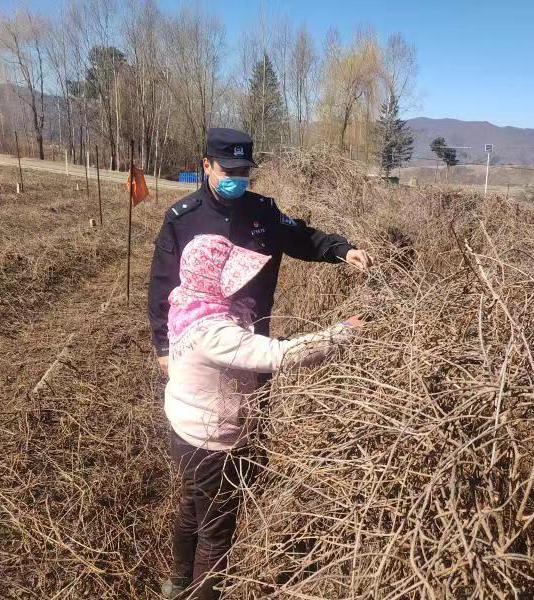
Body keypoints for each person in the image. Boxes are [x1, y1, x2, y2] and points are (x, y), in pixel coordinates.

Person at [161, 234, 361, 599]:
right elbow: (276, 356)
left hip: (184, 433)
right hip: (211, 444)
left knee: (192, 508)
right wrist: (339, 335)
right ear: (210, 276)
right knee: (216, 534)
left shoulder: (188, 303)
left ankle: (177, 582)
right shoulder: (214, 330)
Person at [148, 128, 373, 375]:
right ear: (207, 165)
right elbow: (163, 284)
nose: (237, 178)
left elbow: (302, 238)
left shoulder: (263, 211)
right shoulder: (182, 219)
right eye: (229, 171)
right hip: (199, 344)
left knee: (255, 405)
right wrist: (164, 347)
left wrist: (342, 250)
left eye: (243, 172)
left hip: (254, 333)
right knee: (204, 408)